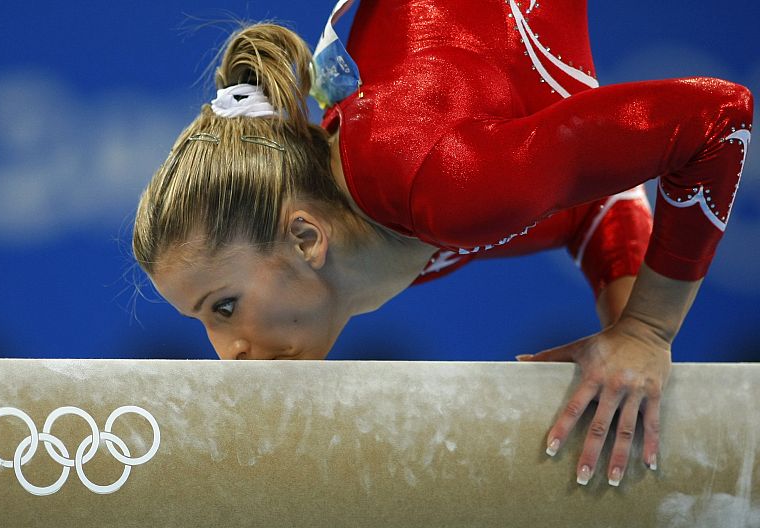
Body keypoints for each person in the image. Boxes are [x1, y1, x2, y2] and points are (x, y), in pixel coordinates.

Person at [133, 0, 753, 488]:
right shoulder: (380, 223)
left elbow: (718, 119)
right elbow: (590, 203)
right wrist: (627, 347)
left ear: (305, 238)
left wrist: (647, 332)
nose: (226, 354)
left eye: (224, 307)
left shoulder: (443, 184)